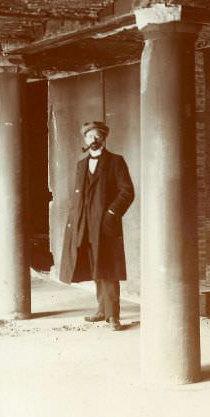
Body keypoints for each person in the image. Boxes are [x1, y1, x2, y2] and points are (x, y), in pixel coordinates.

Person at [59, 121, 134, 331]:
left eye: (97, 136)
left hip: (105, 225)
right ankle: (102, 310)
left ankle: (113, 316)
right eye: (89, 136)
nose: (93, 140)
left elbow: (127, 191)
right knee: (95, 268)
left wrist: (111, 213)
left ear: (104, 138)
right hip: (83, 224)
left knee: (108, 269)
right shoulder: (81, 165)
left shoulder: (116, 162)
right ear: (85, 140)